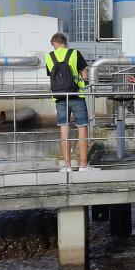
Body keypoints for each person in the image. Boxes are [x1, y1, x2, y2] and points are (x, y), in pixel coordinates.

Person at [44, 32, 96, 172]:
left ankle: (67, 166)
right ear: (65, 42)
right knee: (82, 128)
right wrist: (83, 81)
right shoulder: (74, 53)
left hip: (59, 97)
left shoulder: (49, 57)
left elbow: (52, 75)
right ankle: (83, 166)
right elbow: (84, 74)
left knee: (64, 129)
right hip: (76, 95)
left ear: (53, 44)